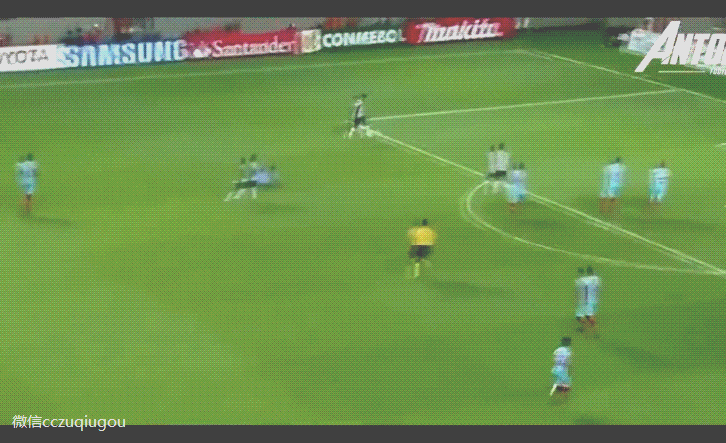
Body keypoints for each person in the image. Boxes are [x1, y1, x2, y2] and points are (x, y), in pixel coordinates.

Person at [576, 266, 600, 335]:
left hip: (586, 300)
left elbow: (580, 291)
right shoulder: (596, 279)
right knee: (590, 315)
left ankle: (589, 330)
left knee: (583, 316)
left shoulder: (581, 281)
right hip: (594, 299)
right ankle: (593, 331)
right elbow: (597, 288)